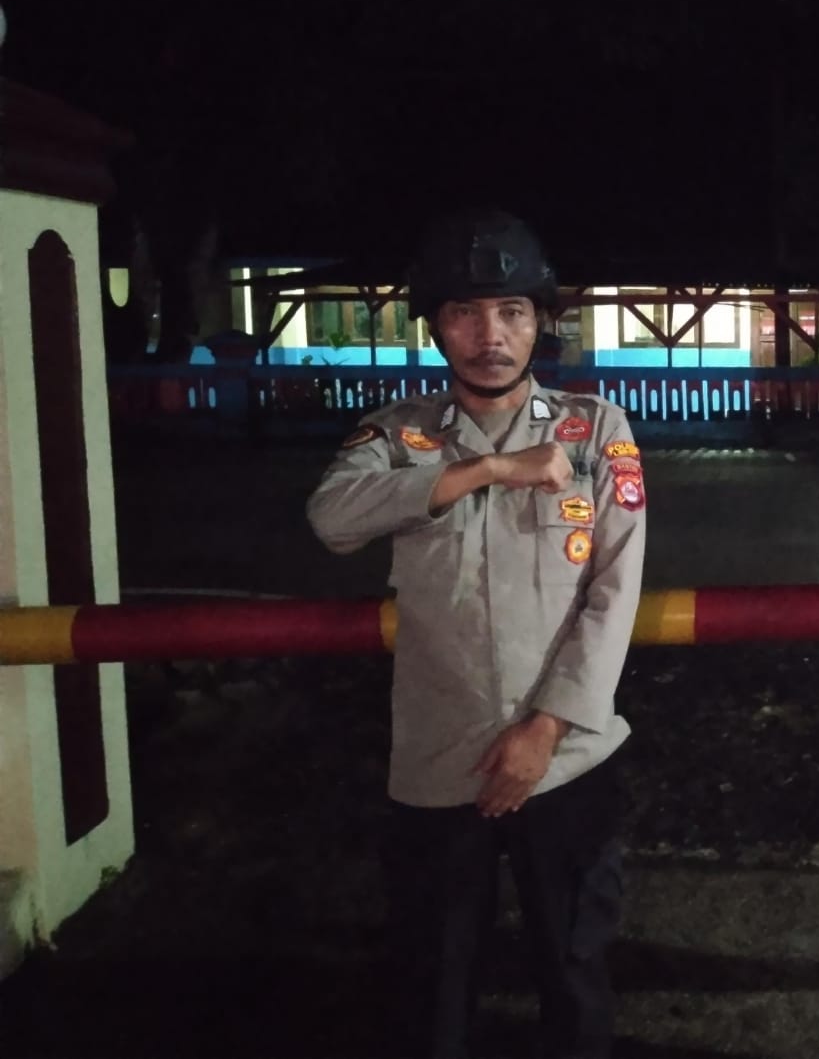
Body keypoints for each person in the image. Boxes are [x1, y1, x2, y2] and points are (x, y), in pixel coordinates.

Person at [307, 209, 646, 1059]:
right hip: (441, 760)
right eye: (464, 312)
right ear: (434, 324)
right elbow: (332, 518)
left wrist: (546, 728)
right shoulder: (399, 436)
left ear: (540, 321)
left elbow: (614, 591)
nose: (489, 335)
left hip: (566, 758)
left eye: (511, 311)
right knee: (434, 986)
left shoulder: (595, 431)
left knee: (574, 974)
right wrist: (485, 470)